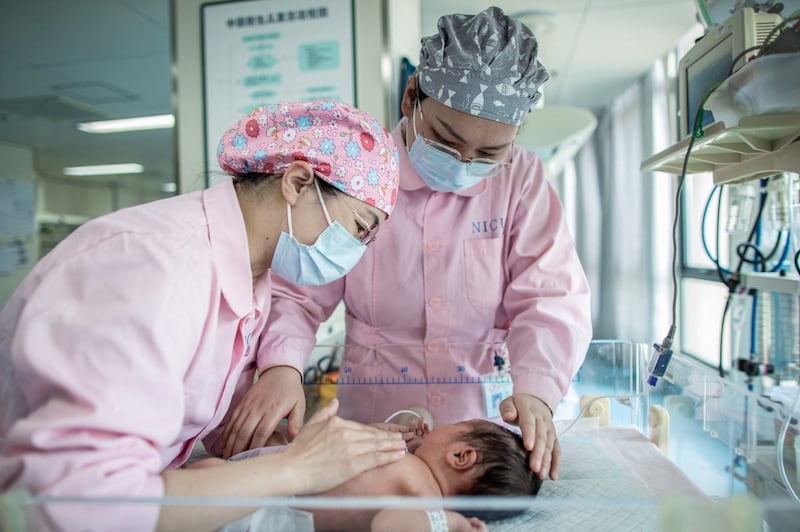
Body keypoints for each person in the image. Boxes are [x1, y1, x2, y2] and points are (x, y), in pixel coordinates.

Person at [222, 6, 593, 483]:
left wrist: (539, 389)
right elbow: (297, 291)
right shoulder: (361, 170)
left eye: (488, 154)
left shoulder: (521, 179)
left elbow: (551, 296)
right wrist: (282, 367)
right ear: (411, 97)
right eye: (445, 140)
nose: (463, 163)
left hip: (476, 423)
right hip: (375, 413)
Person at [0, 100, 408, 532]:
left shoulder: (249, 275)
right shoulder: (155, 268)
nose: (359, 252)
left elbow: (195, 408)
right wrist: (294, 469)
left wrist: (265, 438)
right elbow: (81, 504)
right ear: (298, 182)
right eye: (360, 228)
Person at [198, 411, 539, 531]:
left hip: (262, 511)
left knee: (203, 477)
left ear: (461, 456)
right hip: (272, 476)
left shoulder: (424, 499)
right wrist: (377, 433)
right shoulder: (411, 468)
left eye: (458, 423)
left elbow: (390, 526)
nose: (442, 424)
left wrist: (450, 524)